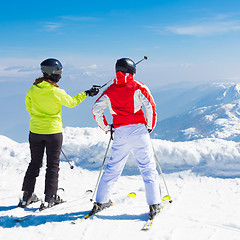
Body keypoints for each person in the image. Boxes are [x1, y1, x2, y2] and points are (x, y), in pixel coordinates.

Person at [18, 58, 99, 210]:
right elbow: (72, 102)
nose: (61, 76)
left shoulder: (33, 89)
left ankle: (27, 196)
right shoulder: (56, 92)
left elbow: (28, 106)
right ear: (53, 74)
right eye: (59, 73)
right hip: (53, 133)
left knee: (34, 163)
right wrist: (87, 93)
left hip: (35, 131)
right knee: (52, 165)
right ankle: (49, 198)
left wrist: (38, 118)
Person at [91, 57, 161, 219]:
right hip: (138, 130)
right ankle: (154, 204)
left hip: (120, 132)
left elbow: (96, 109)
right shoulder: (138, 87)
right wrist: (149, 126)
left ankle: (101, 201)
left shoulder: (110, 90)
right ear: (132, 71)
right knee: (147, 167)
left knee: (113, 167)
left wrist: (107, 127)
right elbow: (150, 105)